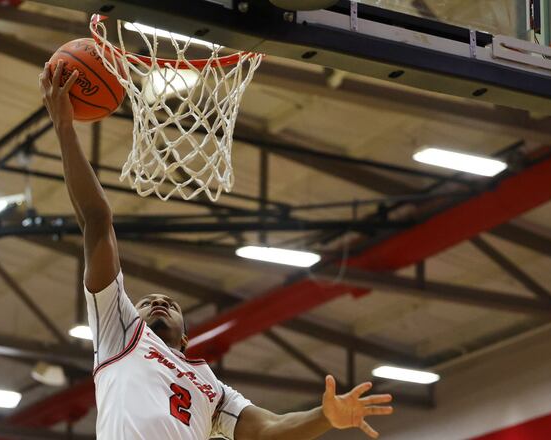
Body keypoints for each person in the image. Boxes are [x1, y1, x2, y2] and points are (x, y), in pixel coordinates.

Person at [39, 60, 394, 439]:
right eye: (148, 302)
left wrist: (325, 417)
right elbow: (97, 220)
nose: (159, 301)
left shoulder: (212, 387)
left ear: (187, 336)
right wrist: (64, 128)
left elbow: (269, 428)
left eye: (171, 304)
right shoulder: (120, 332)